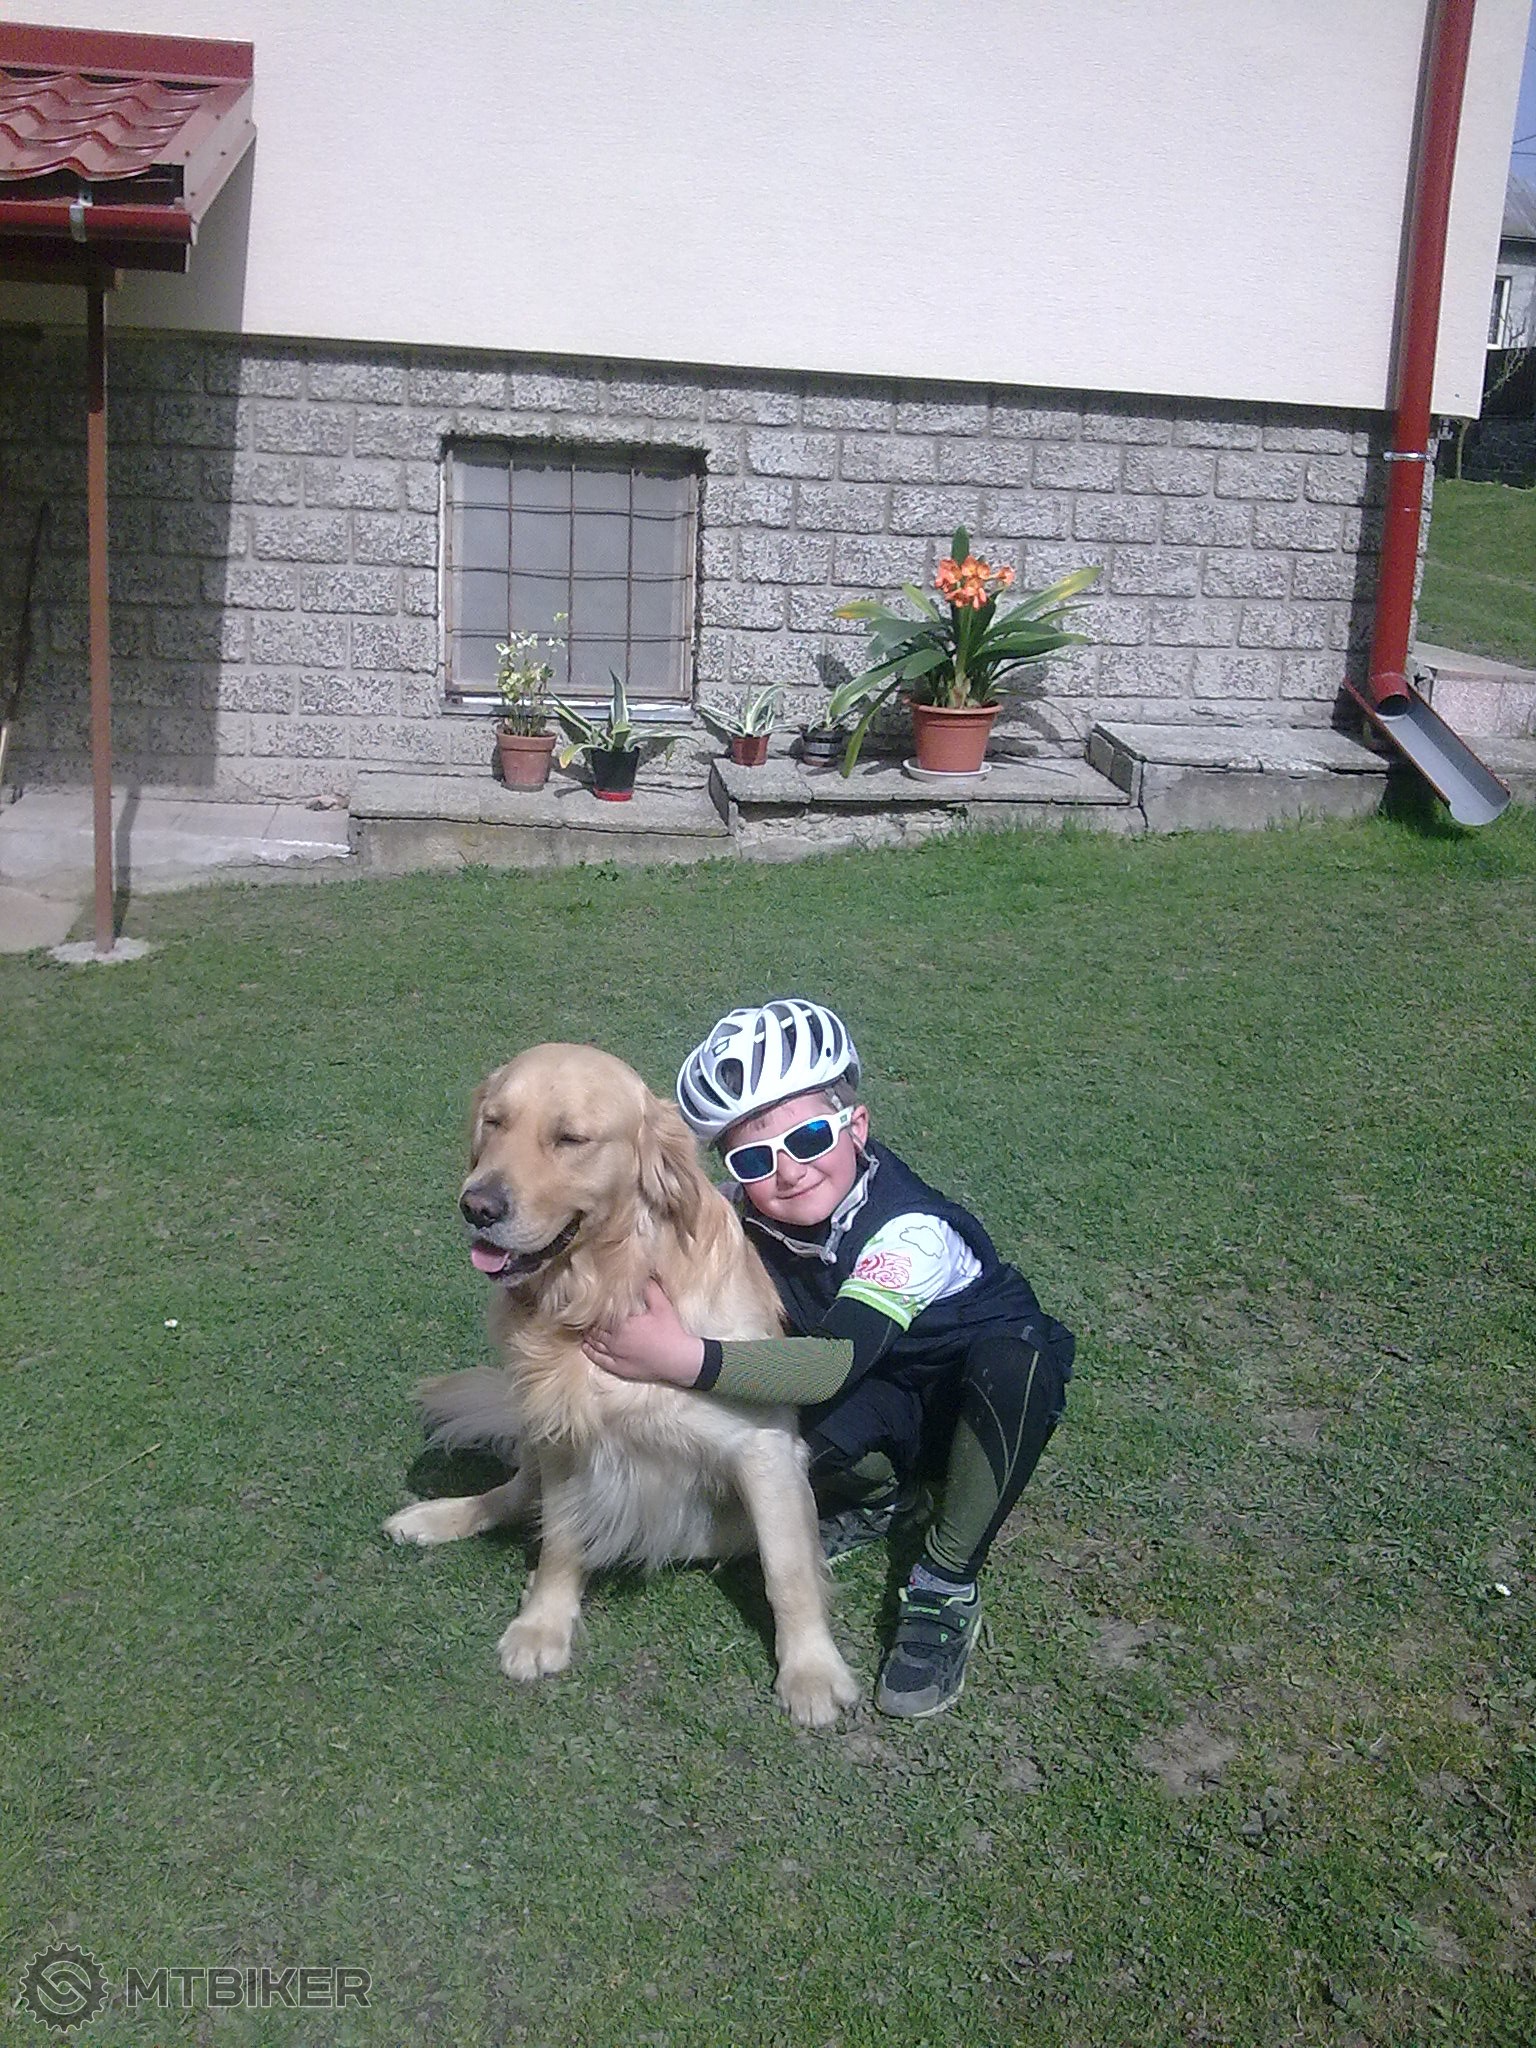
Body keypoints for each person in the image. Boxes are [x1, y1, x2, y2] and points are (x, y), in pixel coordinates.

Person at [582, 999, 1073, 1719]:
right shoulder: (747, 1208)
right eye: (755, 1159)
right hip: (885, 1387)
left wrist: (679, 1357)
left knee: (1013, 1366)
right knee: (778, 1438)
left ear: (857, 1126)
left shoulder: (909, 1232)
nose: (788, 1172)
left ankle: (946, 1580)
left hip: (965, 1395)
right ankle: (884, 1498)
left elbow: (830, 1366)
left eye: (810, 1137)